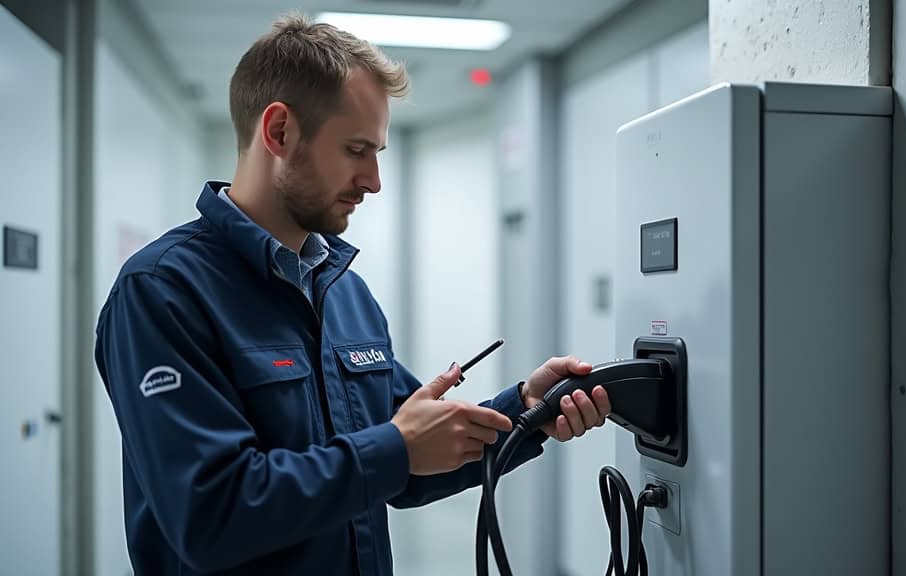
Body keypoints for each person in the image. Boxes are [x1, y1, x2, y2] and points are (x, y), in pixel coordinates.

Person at [94, 13, 612, 576]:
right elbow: (208, 514)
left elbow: (412, 459)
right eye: (356, 150)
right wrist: (395, 449)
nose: (373, 180)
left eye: (378, 154)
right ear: (279, 132)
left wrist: (525, 410)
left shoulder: (344, 291)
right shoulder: (162, 292)